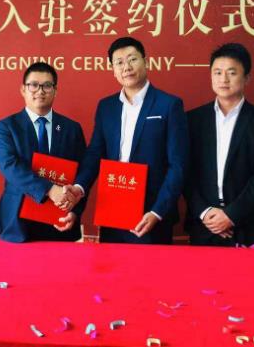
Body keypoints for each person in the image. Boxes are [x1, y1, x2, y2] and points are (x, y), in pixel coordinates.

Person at [65, 37, 188, 244]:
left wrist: (158, 211)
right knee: (112, 264)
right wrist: (79, 187)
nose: (126, 67)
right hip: (113, 209)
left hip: (151, 214)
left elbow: (178, 165)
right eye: (119, 62)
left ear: (145, 62)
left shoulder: (169, 105)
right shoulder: (106, 106)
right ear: (113, 69)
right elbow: (95, 153)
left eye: (132, 59)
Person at [184, 43, 254, 246]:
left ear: (247, 78)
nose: (223, 79)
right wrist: (205, 212)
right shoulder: (192, 120)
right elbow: (185, 172)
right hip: (204, 226)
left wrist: (231, 215)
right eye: (217, 72)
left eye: (232, 73)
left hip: (250, 226)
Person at [0, 62, 86, 242]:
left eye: (47, 86)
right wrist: (49, 189)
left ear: (55, 90)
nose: (40, 91)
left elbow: (82, 173)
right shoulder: (6, 127)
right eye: (34, 85)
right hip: (18, 219)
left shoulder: (72, 128)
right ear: (23, 89)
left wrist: (75, 211)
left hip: (60, 218)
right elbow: (9, 166)